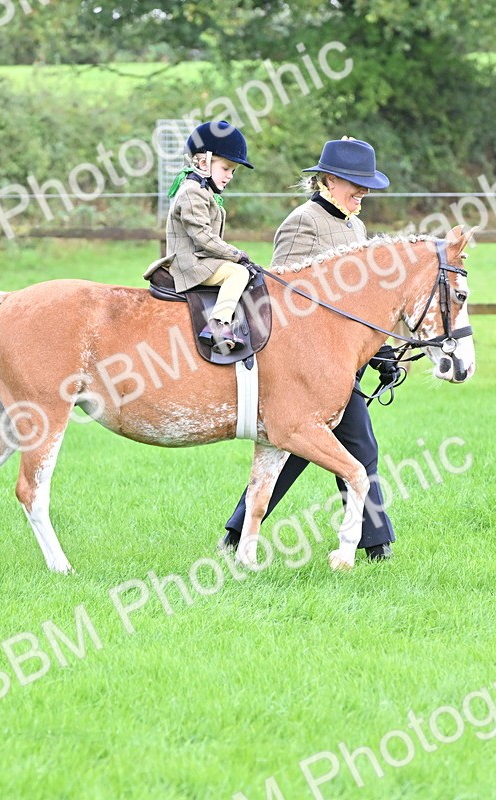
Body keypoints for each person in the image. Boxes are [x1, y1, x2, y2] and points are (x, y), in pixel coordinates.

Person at [220, 137, 402, 561]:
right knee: (357, 446)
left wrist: (382, 352)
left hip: (341, 359)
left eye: (367, 185)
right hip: (307, 364)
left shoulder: (355, 226)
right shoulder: (304, 223)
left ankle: (235, 535)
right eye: (357, 184)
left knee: (300, 451)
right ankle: (374, 544)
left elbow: (360, 305)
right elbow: (283, 295)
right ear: (329, 180)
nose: (364, 193)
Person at [145, 120, 255, 354]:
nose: (230, 176)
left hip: (201, 260)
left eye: (233, 171)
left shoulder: (204, 191)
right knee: (238, 273)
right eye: (226, 168)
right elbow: (203, 237)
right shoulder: (192, 192)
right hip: (189, 264)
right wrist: (235, 255)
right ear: (204, 161)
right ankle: (218, 325)